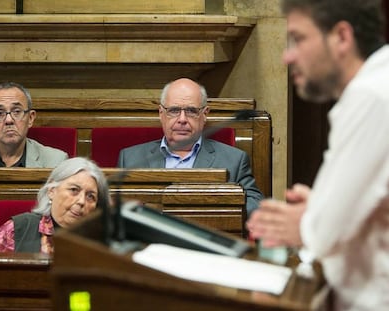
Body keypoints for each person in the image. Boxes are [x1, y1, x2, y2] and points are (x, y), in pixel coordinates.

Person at [247, 0, 389, 310]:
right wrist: (320, 209)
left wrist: (308, 220)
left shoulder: (371, 96)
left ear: (341, 37)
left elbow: (325, 234)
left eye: (298, 39)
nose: (287, 56)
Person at [117, 77, 264, 217]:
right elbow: (113, 207)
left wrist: (216, 208)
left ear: (205, 114)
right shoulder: (130, 158)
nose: (182, 120)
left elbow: (255, 206)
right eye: (174, 110)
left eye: (191, 111)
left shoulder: (234, 160)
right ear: (161, 114)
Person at [0, 157, 110, 254]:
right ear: (52, 191)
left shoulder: (101, 244)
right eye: (74, 190)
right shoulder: (18, 229)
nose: (82, 201)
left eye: (90, 196)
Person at [0, 81, 68, 167]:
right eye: (0, 113)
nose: (8, 120)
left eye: (16, 111)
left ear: (30, 118)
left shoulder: (55, 161)